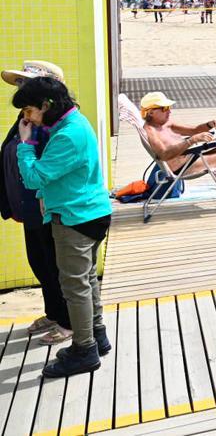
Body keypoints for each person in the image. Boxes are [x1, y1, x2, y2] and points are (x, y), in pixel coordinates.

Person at [11, 77, 112, 378]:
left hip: (75, 218)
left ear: (46, 105)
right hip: (86, 211)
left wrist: (25, 145)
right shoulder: (71, 125)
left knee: (74, 286)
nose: (26, 118)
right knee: (86, 279)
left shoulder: (68, 135)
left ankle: (84, 351)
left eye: (29, 110)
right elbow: (65, 176)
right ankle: (97, 335)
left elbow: (34, 177)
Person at [1, 62, 72, 345]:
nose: (20, 89)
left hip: (47, 207)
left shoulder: (51, 127)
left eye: (25, 83)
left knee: (55, 265)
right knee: (40, 263)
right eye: (19, 83)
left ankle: (68, 321)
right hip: (27, 207)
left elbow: (45, 170)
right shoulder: (26, 119)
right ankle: (54, 312)